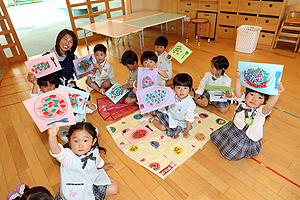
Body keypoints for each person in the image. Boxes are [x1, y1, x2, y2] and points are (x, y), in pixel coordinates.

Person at [210, 69, 284, 161]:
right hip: (234, 127)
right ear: (246, 95)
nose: (254, 99)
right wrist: (238, 78)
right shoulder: (243, 101)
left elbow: (269, 106)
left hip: (246, 136)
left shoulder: (260, 111)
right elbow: (238, 91)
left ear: (265, 102)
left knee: (230, 152)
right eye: (252, 94)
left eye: (260, 97)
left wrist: (277, 93)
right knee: (219, 136)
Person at [49, 122, 118, 200]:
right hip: (76, 192)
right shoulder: (68, 156)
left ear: (93, 141)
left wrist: (102, 165)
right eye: (76, 141)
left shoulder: (94, 150)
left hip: (91, 183)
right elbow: (56, 151)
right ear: (69, 141)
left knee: (114, 188)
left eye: (85, 141)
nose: (80, 145)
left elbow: (97, 160)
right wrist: (52, 136)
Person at [139, 73, 196, 139]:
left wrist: (187, 129)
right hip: (169, 114)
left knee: (165, 129)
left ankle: (150, 118)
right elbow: (162, 92)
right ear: (174, 88)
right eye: (178, 87)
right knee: (157, 107)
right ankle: (151, 114)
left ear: (190, 89)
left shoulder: (190, 104)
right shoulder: (171, 93)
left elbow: (189, 118)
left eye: (185, 88)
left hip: (180, 122)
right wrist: (160, 87)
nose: (181, 91)